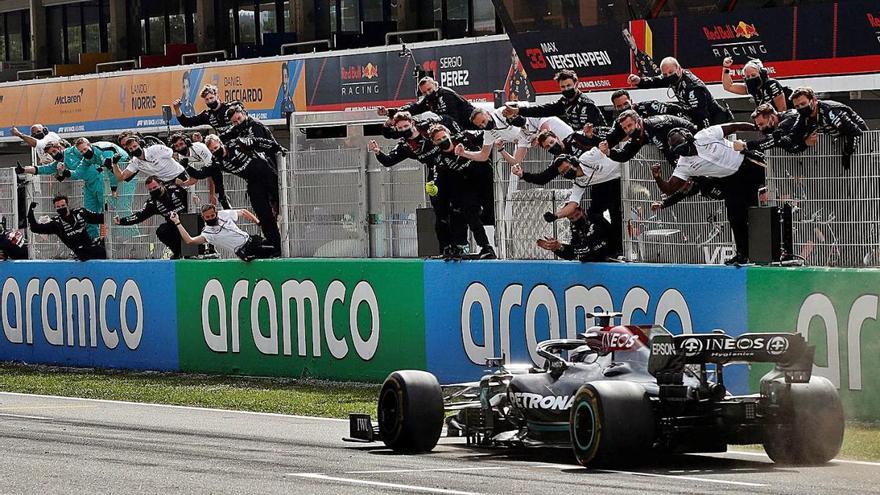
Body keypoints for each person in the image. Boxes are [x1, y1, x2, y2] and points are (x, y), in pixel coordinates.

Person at [651, 123, 766, 265]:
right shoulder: (684, 165)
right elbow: (669, 189)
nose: (682, 150)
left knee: (767, 198)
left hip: (747, 163)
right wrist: (657, 177)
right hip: (730, 180)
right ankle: (743, 254)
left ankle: (772, 252)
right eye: (676, 148)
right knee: (736, 217)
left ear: (688, 137)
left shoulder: (706, 135)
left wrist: (759, 128)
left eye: (681, 143)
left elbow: (734, 126)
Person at [186, 134, 281, 255]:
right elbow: (202, 174)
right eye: (211, 151)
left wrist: (277, 147)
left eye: (216, 148)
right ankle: (276, 247)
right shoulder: (216, 162)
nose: (215, 151)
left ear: (220, 143)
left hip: (267, 175)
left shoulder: (236, 143)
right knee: (264, 215)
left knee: (282, 203)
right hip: (253, 182)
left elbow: (258, 141)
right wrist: (187, 167)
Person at [534, 150, 623, 257]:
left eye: (566, 169)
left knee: (615, 213)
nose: (566, 173)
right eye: (562, 173)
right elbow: (572, 204)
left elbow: (604, 148)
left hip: (626, 171)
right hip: (614, 181)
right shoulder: (578, 182)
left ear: (574, 162)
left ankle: (620, 249)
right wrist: (555, 216)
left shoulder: (587, 158)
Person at [426, 124, 496, 259]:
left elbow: (486, 133)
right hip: (459, 189)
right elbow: (438, 180)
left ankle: (486, 248)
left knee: (474, 214)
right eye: (438, 140)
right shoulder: (439, 159)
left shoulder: (465, 137)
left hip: (480, 181)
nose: (442, 141)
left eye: (444, 137)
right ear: (434, 142)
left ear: (449, 135)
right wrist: (434, 189)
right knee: (451, 216)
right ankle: (453, 248)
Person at [628, 57, 732, 129]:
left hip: (714, 119)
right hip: (692, 115)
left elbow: (702, 115)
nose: (668, 76)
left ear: (678, 69)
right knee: (672, 111)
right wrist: (639, 81)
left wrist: (702, 136)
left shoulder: (692, 87)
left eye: (670, 72)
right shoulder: (671, 77)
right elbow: (656, 81)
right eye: (665, 74)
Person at [791, 86, 868, 170]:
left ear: (813, 100)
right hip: (841, 142)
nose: (801, 108)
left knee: (859, 176)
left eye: (803, 104)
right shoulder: (803, 117)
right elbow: (793, 135)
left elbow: (855, 132)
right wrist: (805, 142)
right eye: (797, 106)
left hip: (861, 141)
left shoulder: (830, 112)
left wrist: (847, 153)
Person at [502, 69, 607, 129]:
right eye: (563, 87)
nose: (566, 89)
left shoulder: (586, 104)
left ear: (576, 84)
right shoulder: (564, 102)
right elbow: (543, 110)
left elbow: (594, 130)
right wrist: (519, 110)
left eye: (569, 86)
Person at [470, 106, 573, 167]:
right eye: (480, 126)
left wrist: (537, 138)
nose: (483, 126)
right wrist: (501, 149)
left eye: (512, 117)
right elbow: (515, 162)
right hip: (563, 152)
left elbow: (546, 134)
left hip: (570, 139)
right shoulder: (522, 136)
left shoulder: (533, 117)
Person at [115, 176, 189, 259]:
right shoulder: (152, 203)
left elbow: (190, 194)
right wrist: (121, 221)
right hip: (175, 227)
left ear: (161, 184)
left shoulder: (175, 189)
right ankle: (178, 252)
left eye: (155, 187)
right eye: (150, 189)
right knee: (162, 231)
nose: (153, 190)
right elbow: (139, 216)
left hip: (190, 223)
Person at [170, 206, 277, 261]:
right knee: (268, 253)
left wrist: (258, 223)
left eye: (212, 215)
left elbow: (244, 212)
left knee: (275, 247)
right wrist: (177, 222)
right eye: (207, 217)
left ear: (216, 213)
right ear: (203, 218)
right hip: (244, 251)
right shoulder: (207, 233)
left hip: (251, 239)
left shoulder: (224, 214)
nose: (211, 218)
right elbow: (189, 240)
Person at [606, 110, 698, 165]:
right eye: (625, 128)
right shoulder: (639, 133)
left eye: (630, 125)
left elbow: (669, 152)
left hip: (694, 139)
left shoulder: (654, 126)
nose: (628, 130)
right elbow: (625, 155)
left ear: (638, 122)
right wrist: (608, 152)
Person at [379, 76, 476, 128]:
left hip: (473, 125)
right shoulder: (428, 100)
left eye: (430, 89)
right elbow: (413, 108)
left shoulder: (446, 94)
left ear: (435, 85)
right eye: (425, 92)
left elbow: (452, 119)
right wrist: (389, 112)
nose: (428, 93)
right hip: (458, 128)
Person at [28, 196, 105, 261]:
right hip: (80, 253)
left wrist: (108, 210)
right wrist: (31, 211)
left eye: (63, 205)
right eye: (58, 207)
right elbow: (35, 228)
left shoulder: (80, 213)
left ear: (67, 205)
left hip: (91, 246)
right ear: (55, 208)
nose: (61, 208)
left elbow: (101, 218)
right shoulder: (56, 223)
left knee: (102, 249)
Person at [604, 89, 690, 147]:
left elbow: (675, 110)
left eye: (625, 104)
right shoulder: (618, 123)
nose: (623, 107)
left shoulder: (648, 106)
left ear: (631, 101)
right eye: (619, 106)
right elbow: (612, 138)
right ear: (615, 107)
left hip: (671, 142)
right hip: (646, 152)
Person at [169, 132, 230, 209]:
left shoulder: (199, 148)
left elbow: (212, 172)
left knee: (215, 169)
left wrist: (212, 194)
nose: (180, 148)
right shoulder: (182, 158)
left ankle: (222, 197)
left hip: (219, 163)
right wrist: (182, 184)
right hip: (207, 169)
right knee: (184, 167)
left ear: (187, 142)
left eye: (181, 144)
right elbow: (194, 179)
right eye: (176, 146)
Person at [220, 104, 287, 170]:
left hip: (269, 162)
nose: (238, 122)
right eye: (235, 122)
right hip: (255, 166)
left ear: (244, 114)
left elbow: (261, 145)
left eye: (239, 118)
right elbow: (222, 137)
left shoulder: (255, 125)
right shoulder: (236, 128)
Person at [116, 134, 193, 188]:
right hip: (165, 182)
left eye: (135, 146)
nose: (134, 149)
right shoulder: (135, 162)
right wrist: (114, 164)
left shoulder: (156, 149)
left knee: (189, 203)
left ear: (141, 145)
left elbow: (174, 153)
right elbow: (121, 177)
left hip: (180, 175)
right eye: (131, 149)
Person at [536, 207, 609, 262]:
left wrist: (560, 246)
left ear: (582, 211)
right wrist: (555, 248)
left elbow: (587, 248)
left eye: (577, 215)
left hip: (611, 258)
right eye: (571, 218)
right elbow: (571, 255)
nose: (576, 219)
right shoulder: (575, 227)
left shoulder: (595, 221)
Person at [721, 58, 791, 111]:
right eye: (748, 77)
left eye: (753, 75)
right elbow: (728, 86)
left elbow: (782, 109)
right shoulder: (752, 88)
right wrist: (726, 68)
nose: (751, 78)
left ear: (762, 73)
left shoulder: (772, 84)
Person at [173, 84, 242, 136]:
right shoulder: (207, 115)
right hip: (227, 143)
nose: (210, 101)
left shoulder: (230, 107)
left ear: (217, 96)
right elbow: (186, 122)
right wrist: (177, 108)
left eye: (211, 98)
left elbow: (245, 117)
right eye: (207, 99)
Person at [743, 104, 811, 154]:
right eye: (758, 126)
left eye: (761, 124)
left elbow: (772, 141)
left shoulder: (789, 119)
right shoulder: (780, 124)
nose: (760, 129)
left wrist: (746, 145)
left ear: (772, 117)